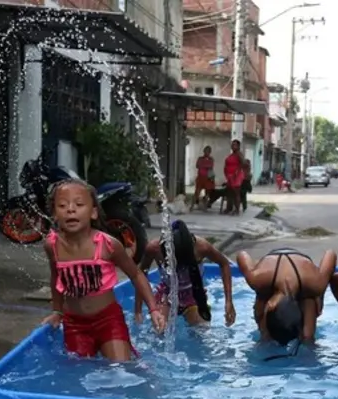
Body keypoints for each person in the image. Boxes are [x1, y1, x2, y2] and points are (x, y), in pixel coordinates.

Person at [41, 179, 166, 362]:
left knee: (122, 368)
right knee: (80, 374)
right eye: (62, 205)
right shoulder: (52, 245)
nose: (70, 209)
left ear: (93, 213)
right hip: (75, 323)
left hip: (108, 319)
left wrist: (153, 309)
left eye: (79, 204)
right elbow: (56, 277)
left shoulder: (108, 245)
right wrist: (57, 312)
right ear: (54, 214)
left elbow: (136, 274)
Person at [135, 220, 237, 327]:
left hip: (193, 294)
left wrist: (229, 302)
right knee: (160, 329)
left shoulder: (201, 247)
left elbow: (224, 264)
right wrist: (138, 309)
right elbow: (140, 274)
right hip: (167, 294)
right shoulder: (154, 249)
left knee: (201, 330)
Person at [236, 248, 337, 351]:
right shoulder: (258, 279)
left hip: (303, 279)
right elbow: (241, 254)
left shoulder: (315, 284)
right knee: (265, 334)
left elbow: (331, 253)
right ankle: (267, 336)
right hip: (271, 275)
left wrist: (319, 296)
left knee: (307, 336)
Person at [191, 146, 216, 211]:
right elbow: (197, 165)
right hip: (200, 177)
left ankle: (205, 206)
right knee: (197, 192)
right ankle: (192, 206)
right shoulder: (200, 158)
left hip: (208, 178)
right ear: (203, 151)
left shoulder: (211, 159)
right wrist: (205, 165)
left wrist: (203, 165)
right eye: (205, 151)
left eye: (208, 151)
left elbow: (211, 166)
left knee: (207, 193)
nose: (206, 152)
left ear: (210, 152)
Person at [223, 140, 244, 215]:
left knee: (236, 193)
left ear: (238, 146)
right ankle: (229, 208)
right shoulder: (231, 155)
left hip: (236, 176)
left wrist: (236, 172)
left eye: (235, 145)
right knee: (229, 193)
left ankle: (237, 210)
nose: (233, 146)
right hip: (229, 176)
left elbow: (243, 164)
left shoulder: (239, 154)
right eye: (232, 144)